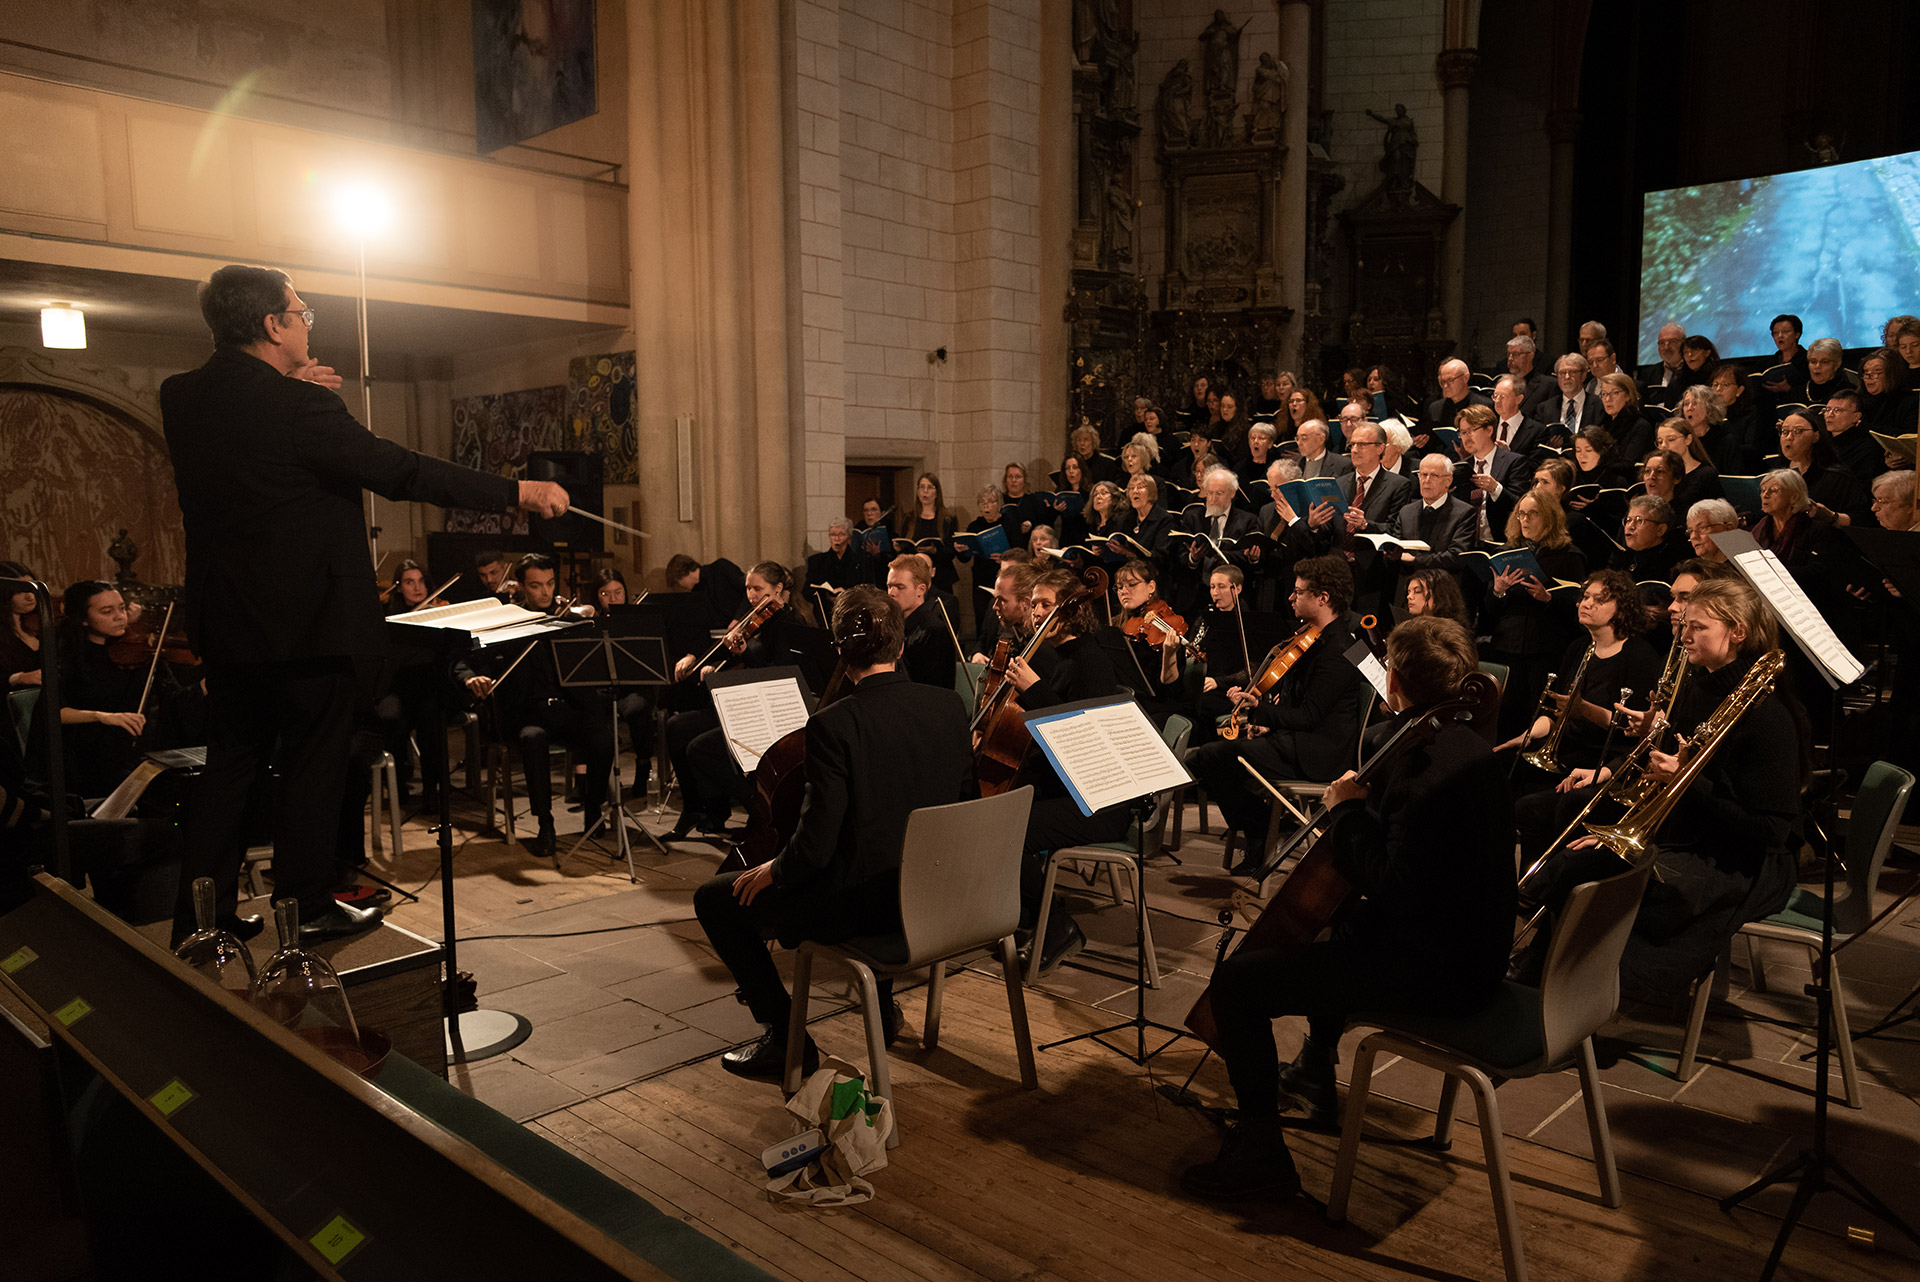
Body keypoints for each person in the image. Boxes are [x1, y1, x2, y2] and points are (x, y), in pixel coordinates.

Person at [161, 264, 562, 946]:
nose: (308, 323)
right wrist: (516, 493)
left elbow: (252, 444)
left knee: (230, 767)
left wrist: (287, 388)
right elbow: (400, 470)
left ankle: (202, 922)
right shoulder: (304, 408)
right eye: (302, 313)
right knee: (315, 763)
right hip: (309, 624)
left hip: (227, 620)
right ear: (272, 325)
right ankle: (306, 905)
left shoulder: (183, 397)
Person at [1180, 616, 1516, 1201]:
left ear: (1395, 684)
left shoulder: (1422, 768)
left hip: (1439, 975)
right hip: (1476, 951)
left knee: (1238, 982)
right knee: (1334, 923)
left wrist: (1345, 811)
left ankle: (1261, 1153)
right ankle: (1313, 1067)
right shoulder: (1470, 748)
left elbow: (1393, 883)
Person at [692, 586, 974, 1079]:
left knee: (715, 898)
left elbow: (815, 848)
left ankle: (786, 1038)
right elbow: (966, 805)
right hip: (941, 894)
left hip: (873, 906)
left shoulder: (833, 724)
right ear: (901, 647)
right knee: (875, 848)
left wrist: (775, 869)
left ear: (840, 652)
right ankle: (883, 1009)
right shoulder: (948, 706)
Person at [1519, 578, 1807, 1004]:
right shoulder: (1701, 685)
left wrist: (1688, 782)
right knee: (1575, 858)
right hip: (1693, 833)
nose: (1684, 637)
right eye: (1684, 624)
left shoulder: (1767, 716)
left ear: (1738, 632)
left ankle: (1563, 995)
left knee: (1586, 877)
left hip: (1742, 863)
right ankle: (1542, 984)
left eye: (1699, 627)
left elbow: (1770, 832)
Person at [1184, 556, 1368, 873]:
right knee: (1206, 757)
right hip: (1294, 740)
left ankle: (1260, 831)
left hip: (1318, 753)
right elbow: (1298, 705)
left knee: (1210, 757)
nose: (1290, 598)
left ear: (1322, 598)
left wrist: (1261, 712)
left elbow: (1310, 717)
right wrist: (1268, 722)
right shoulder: (1313, 639)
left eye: (1298, 592)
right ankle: (1262, 830)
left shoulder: (1339, 650)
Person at [665, 561, 805, 838]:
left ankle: (762, 815)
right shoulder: (755, 620)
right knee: (675, 728)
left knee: (700, 748)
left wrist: (744, 653)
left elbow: (778, 675)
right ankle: (698, 809)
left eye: (757, 588)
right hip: (740, 702)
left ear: (778, 589)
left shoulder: (787, 622)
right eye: (748, 589)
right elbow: (727, 655)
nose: (751, 595)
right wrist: (700, 658)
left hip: (763, 712)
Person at [1499, 571, 1661, 778]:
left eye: (1599, 600)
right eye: (1586, 597)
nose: (1586, 604)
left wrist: (1583, 709)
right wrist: (1528, 735)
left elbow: (1632, 726)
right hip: (1565, 742)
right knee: (1499, 763)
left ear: (1622, 610)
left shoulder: (1640, 656)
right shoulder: (1579, 647)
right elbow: (1554, 710)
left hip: (1600, 753)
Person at [1482, 490, 1588, 737]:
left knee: (1536, 718)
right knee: (1505, 717)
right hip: (1507, 647)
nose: (1525, 520)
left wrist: (1549, 598)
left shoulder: (1570, 556)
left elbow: (1579, 613)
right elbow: (1490, 610)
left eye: (1533, 514)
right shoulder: (1508, 552)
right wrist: (1498, 591)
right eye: (1521, 514)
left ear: (1549, 517)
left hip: (1545, 651)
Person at [1452, 404, 1531, 544]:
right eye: (1463, 432)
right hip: (1465, 543)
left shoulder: (1514, 462)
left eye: (1471, 431)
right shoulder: (1461, 467)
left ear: (1489, 430)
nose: (1466, 438)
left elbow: (1520, 506)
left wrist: (1496, 489)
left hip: (1501, 541)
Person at [885, 554, 958, 690]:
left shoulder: (935, 631)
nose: (891, 593)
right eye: (889, 586)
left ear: (921, 590)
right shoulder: (896, 624)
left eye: (900, 587)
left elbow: (930, 688)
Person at [1610, 495, 1684, 583]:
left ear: (1660, 529)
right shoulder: (1623, 558)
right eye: (1628, 520)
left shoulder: (1670, 567)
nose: (1630, 526)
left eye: (1639, 520)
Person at [1, 561, 43, 689]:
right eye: (19, 592)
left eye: (31, 589)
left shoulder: (43, 625)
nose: (30, 597)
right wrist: (18, 678)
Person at [1404, 567, 1473, 629]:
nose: (1409, 596)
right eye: (1409, 592)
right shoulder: (1406, 627)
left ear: (1439, 595)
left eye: (1417, 591)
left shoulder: (1451, 633)